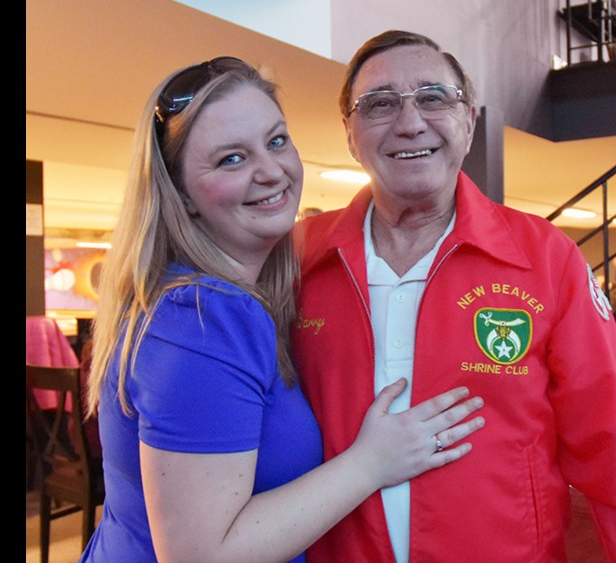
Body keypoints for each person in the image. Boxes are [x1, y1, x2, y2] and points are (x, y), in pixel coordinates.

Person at [292, 31, 616, 562]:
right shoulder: (296, 260)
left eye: (433, 97)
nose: (410, 122)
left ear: (469, 121)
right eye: (379, 104)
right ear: (350, 134)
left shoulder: (545, 259)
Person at [80, 56, 485, 563]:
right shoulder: (206, 315)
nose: (270, 171)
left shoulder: (200, 297)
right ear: (181, 194)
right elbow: (200, 556)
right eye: (231, 159)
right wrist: (371, 462)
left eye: (275, 142)